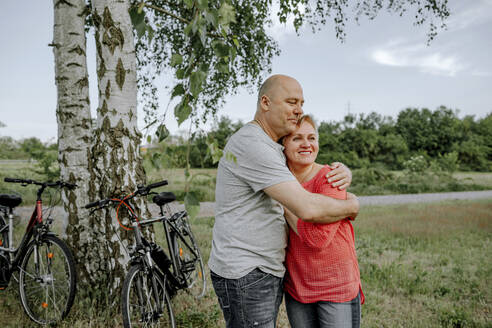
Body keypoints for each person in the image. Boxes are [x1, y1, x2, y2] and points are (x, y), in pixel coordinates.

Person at [208, 74, 360, 328]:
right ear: (266, 103)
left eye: (301, 103)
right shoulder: (253, 144)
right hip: (248, 271)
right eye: (291, 102)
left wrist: (344, 174)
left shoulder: (270, 147)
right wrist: (351, 205)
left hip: (259, 270)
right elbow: (307, 207)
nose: (298, 110)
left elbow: (306, 172)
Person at [281, 114, 364, 328]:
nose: (306, 144)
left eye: (312, 138)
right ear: (283, 143)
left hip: (336, 285)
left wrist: (284, 205)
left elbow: (317, 239)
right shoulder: (278, 180)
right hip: (297, 286)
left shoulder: (330, 177)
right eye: (297, 138)